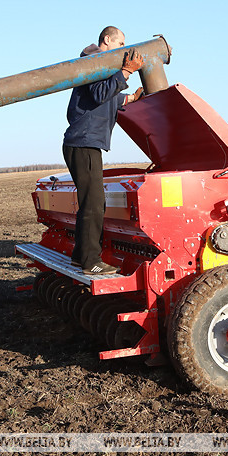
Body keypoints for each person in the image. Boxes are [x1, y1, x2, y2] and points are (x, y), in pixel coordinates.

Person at [63, 25, 144, 275]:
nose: (124, 50)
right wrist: (126, 73)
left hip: (85, 142)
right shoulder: (94, 62)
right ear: (107, 40)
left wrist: (129, 98)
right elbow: (99, 93)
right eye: (121, 44)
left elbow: (105, 98)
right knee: (94, 205)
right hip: (84, 142)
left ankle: (81, 257)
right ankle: (90, 262)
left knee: (92, 202)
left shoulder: (98, 64)